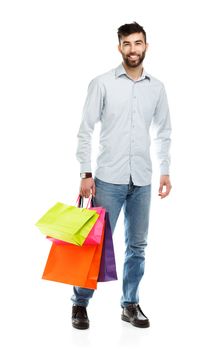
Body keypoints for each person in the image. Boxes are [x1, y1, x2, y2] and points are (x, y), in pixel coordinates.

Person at [71, 21, 172, 330]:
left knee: (137, 246)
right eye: (127, 44)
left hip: (142, 179)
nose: (133, 49)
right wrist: (85, 173)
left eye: (138, 43)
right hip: (108, 180)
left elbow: (164, 132)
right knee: (95, 245)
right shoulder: (101, 83)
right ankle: (80, 304)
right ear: (119, 48)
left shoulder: (157, 87)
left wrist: (165, 170)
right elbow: (85, 132)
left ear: (146, 46)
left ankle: (130, 305)